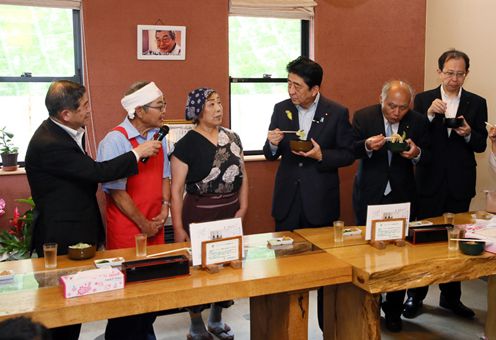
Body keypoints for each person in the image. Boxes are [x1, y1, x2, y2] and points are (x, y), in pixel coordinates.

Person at [25, 80, 161, 340]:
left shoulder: (71, 130)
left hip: (79, 232)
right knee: (63, 314)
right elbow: (97, 173)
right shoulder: (49, 142)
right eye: (85, 106)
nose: (90, 110)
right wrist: (136, 153)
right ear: (66, 114)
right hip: (62, 238)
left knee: (76, 309)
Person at [263, 56, 354, 331]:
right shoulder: (281, 109)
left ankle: (328, 327)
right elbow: (270, 154)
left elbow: (348, 153)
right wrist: (272, 144)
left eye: (297, 86)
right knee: (284, 269)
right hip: (287, 201)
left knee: (323, 271)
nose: (291, 91)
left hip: (320, 201)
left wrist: (321, 154)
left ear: (315, 89)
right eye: (289, 84)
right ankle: (283, 327)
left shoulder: (336, 112)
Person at [404, 49, 487, 320]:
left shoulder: (476, 103)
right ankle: (415, 296)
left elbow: (480, 144)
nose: (454, 78)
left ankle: (451, 299)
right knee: (424, 242)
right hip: (428, 180)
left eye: (460, 73)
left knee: (456, 243)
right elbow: (415, 138)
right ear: (439, 72)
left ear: (466, 74)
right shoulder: (424, 100)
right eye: (449, 73)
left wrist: (467, 133)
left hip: (460, 182)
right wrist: (427, 116)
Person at [352, 80, 430, 332]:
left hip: (402, 194)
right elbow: (349, 149)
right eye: (391, 106)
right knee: (369, 253)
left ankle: (394, 310)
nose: (396, 112)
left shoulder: (417, 121)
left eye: (402, 108)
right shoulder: (364, 117)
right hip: (370, 193)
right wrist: (366, 146)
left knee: (399, 255)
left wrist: (416, 152)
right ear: (381, 99)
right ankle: (369, 305)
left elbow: (430, 155)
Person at [171, 88, 247, 340]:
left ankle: (216, 318)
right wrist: (179, 226)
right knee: (200, 269)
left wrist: (243, 207)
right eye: (210, 104)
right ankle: (195, 324)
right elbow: (177, 188)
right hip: (199, 212)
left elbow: (243, 175)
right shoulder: (185, 144)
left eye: (219, 103)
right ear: (197, 110)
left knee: (227, 266)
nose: (218, 108)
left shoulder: (233, 138)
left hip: (230, 211)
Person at [97, 81, 171, 340]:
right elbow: (116, 191)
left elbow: (165, 177)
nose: (164, 111)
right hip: (128, 230)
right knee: (126, 299)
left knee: (151, 294)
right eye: (159, 106)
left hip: (155, 226)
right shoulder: (114, 141)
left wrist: (165, 208)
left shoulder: (159, 136)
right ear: (139, 110)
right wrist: (143, 224)